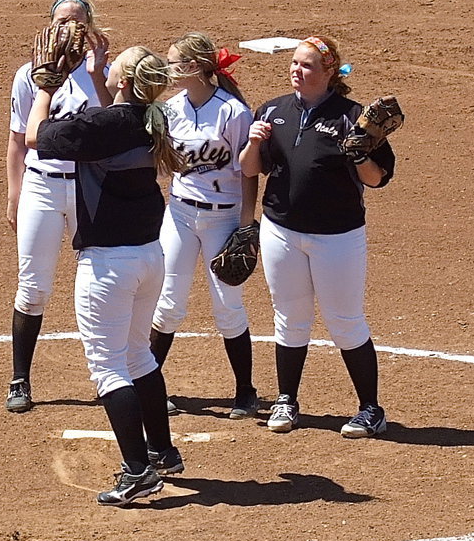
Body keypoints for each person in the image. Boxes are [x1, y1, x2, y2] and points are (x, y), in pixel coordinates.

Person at [26, 45, 185, 506]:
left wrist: (46, 90)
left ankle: (137, 470)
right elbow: (108, 115)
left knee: (109, 366)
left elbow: (38, 135)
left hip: (108, 265)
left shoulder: (107, 124)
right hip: (148, 257)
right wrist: (97, 73)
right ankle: (163, 453)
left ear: (125, 80)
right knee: (138, 356)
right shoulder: (149, 118)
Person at [238, 35, 395, 438]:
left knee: (345, 321)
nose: (297, 70)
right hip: (281, 231)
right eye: (294, 63)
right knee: (289, 319)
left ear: (329, 73)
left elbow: (376, 180)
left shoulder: (353, 117)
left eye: (307, 65)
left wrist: (360, 152)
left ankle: (370, 408)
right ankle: (286, 400)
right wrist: (254, 143)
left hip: (337, 237)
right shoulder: (273, 112)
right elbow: (252, 170)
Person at [4, 0, 110, 414]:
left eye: (78, 22)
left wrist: (100, 72)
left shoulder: (103, 71)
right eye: (62, 21)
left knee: (101, 284)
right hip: (42, 187)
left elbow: (114, 122)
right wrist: (15, 192)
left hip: (88, 187)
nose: (69, 29)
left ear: (90, 26)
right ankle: (20, 379)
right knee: (32, 288)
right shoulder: (28, 75)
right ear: (48, 26)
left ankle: (109, 376)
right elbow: (17, 140)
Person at [149, 33, 260, 420]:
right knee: (167, 301)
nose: (168, 69)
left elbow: (248, 172)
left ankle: (246, 392)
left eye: (174, 62)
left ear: (194, 67)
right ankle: (151, 384)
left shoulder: (233, 112)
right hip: (179, 213)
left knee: (227, 306)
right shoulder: (170, 109)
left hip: (223, 216)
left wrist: (246, 225)